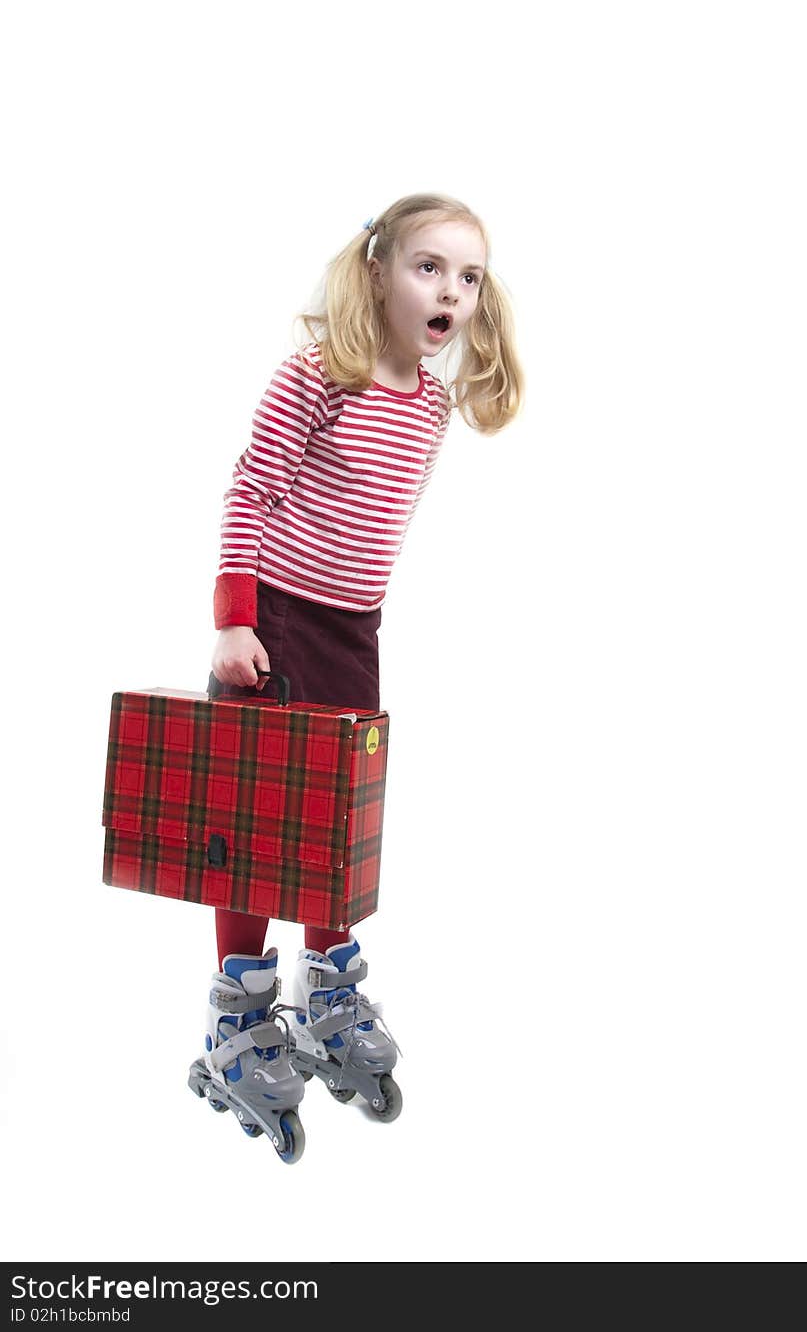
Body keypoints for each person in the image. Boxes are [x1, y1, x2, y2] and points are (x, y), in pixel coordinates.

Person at [194, 191, 524, 1157]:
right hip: (278, 627)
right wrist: (234, 623)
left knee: (342, 813)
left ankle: (329, 986)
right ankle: (239, 1014)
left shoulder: (431, 405)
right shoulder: (318, 374)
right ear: (377, 270)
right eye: (430, 267)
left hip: (355, 632)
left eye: (468, 278)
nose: (451, 291)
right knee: (258, 826)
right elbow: (250, 488)